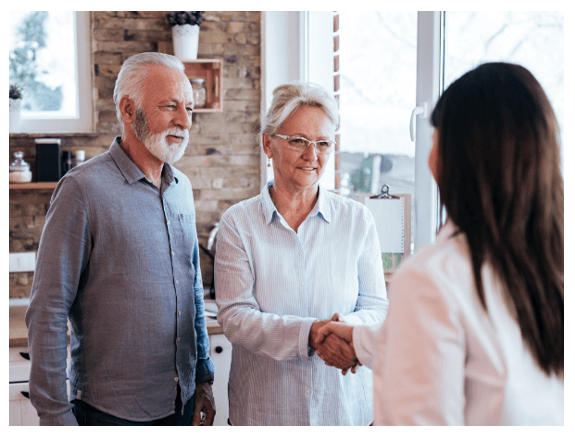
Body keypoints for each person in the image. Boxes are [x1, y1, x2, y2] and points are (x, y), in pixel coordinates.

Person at [315, 62, 564, 425]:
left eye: (435, 139)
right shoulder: (552, 262)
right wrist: (359, 340)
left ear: (457, 157)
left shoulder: (432, 277)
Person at [26, 52, 216, 426]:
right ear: (128, 110)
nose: (184, 121)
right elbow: (47, 311)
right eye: (170, 106)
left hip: (181, 405)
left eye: (189, 109)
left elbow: (192, 287)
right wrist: (55, 416)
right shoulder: (81, 190)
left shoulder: (182, 189)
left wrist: (205, 378)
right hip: (109, 414)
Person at [213, 82, 389, 426]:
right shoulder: (238, 223)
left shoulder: (357, 220)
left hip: (344, 412)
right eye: (298, 141)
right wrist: (310, 333)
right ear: (268, 143)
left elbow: (376, 308)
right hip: (264, 413)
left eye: (323, 143)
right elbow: (235, 317)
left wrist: (344, 333)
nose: (312, 155)